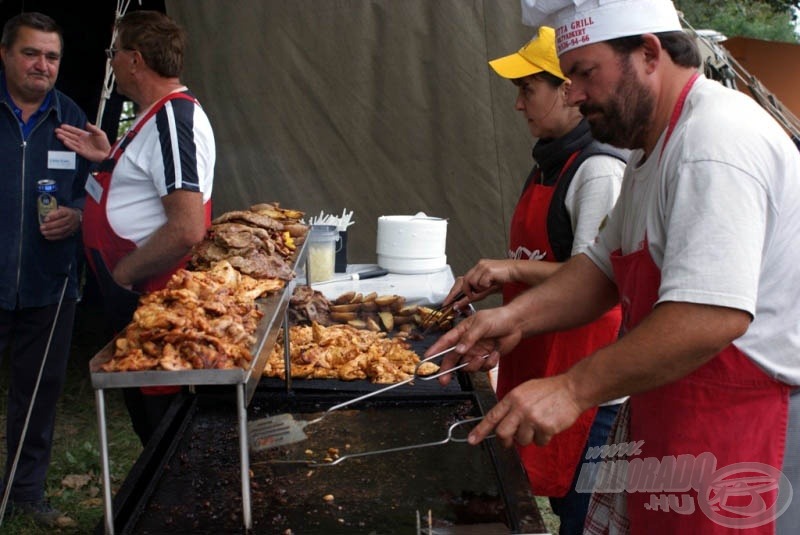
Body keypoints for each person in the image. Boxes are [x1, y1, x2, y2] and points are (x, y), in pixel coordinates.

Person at [428, 0, 800, 533]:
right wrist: (512, 320)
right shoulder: (653, 147)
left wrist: (571, 389)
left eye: (583, 74)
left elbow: (711, 315)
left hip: (749, 424)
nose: (574, 95)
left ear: (649, 53)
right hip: (674, 407)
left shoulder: (713, 143)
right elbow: (599, 270)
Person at [441, 26, 625, 534]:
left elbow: (597, 276)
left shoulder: (598, 171)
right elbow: (546, 260)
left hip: (585, 381)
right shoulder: (548, 163)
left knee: (578, 519)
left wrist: (512, 268)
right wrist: (498, 286)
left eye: (528, 89)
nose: (519, 105)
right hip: (536, 357)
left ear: (568, 90)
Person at [56, 10, 215, 446]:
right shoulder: (151, 117)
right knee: (149, 425)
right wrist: (108, 160)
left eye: (113, 52)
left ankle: (176, 511)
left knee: (165, 430)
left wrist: (121, 275)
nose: (109, 62)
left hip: (152, 301)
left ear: (135, 60)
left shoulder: (171, 120)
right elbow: (144, 192)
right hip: (137, 305)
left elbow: (186, 228)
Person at [0, 11, 88, 527]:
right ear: (6, 54)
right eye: (31, 53)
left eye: (51, 56)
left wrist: (77, 213)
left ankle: (26, 493)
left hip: (50, 283)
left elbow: (100, 191)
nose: (42, 65)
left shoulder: (73, 119)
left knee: (37, 395)